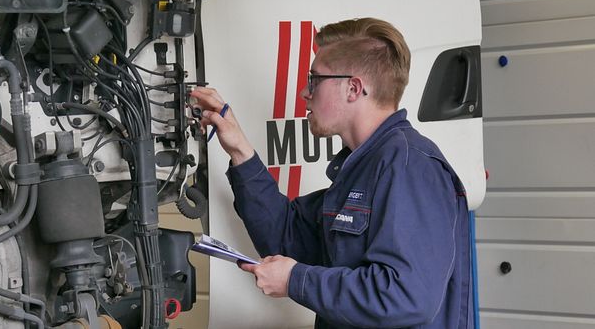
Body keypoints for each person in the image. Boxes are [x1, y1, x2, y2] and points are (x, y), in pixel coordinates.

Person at [190, 17, 472, 329]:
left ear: (353, 88)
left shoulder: (409, 166)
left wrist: (297, 280)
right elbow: (286, 236)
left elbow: (405, 296)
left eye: (315, 80)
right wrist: (240, 150)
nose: (304, 93)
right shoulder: (362, 168)